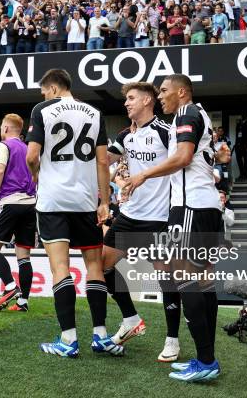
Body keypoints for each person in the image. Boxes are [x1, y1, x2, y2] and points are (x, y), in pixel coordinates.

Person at [124, 74, 223, 382]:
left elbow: (183, 157)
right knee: (203, 282)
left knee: (184, 279)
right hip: (205, 206)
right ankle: (206, 357)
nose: (160, 95)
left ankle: (206, 360)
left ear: (182, 92)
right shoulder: (198, 114)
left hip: (190, 206)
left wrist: (144, 176)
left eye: (164, 90)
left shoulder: (186, 111)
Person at [26, 69, 122, 357]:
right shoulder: (94, 112)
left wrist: (36, 176)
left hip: (54, 200)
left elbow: (32, 156)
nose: (42, 96)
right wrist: (104, 200)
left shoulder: (42, 109)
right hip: (84, 201)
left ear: (53, 88)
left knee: (60, 268)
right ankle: (101, 336)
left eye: (44, 91)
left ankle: (68, 340)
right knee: (94, 266)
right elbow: (103, 161)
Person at [105, 82, 173, 357]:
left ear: (147, 101)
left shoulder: (167, 133)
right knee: (102, 267)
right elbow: (103, 160)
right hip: (129, 215)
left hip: (159, 218)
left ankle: (172, 340)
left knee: (167, 281)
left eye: (131, 98)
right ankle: (131, 319)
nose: (126, 103)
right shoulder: (125, 135)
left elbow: (184, 161)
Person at [0, 113, 37, 312]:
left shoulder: (3, 145)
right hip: (30, 204)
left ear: (5, 128)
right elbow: (36, 174)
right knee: (23, 256)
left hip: (11, 202)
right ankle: (23, 302)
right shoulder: (29, 148)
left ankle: (9, 286)